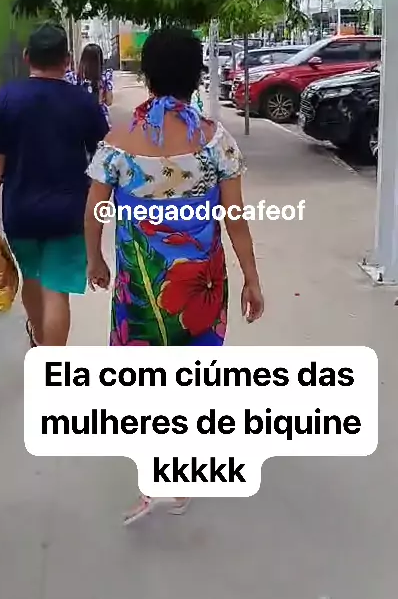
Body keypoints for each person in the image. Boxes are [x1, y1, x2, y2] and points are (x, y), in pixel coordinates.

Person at [84, 26, 264, 525]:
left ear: (147, 77)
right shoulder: (216, 141)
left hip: (141, 289)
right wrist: (251, 278)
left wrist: (95, 259)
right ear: (196, 76)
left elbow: (94, 211)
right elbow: (235, 218)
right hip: (202, 285)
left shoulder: (118, 143)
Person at [0, 23, 109, 347]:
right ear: (67, 60)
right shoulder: (82, 101)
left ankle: (39, 343)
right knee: (57, 292)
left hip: (21, 211)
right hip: (69, 212)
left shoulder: (7, 98)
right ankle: (54, 362)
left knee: (32, 281)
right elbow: (104, 159)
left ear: (27, 57)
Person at [77, 43, 114, 123]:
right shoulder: (106, 75)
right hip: (100, 117)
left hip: (80, 118)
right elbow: (109, 101)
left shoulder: (74, 77)